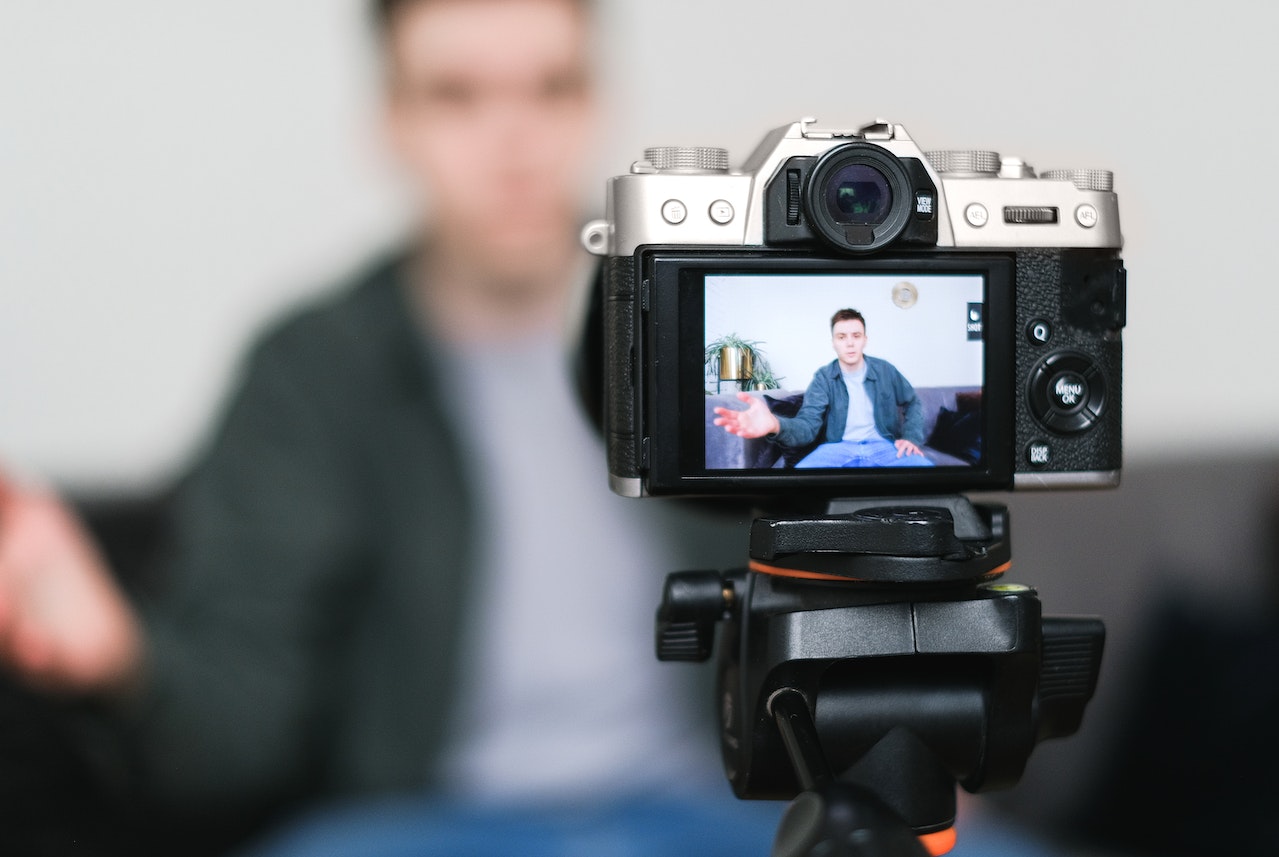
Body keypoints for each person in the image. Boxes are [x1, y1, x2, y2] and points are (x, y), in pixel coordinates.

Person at [0, 1, 781, 854]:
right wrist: (114, 653)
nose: (512, 142)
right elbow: (237, 734)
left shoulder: (719, 323)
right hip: (422, 827)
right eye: (456, 95)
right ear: (390, 122)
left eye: (551, 88)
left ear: (598, 102)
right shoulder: (312, 371)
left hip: (713, 810)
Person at [713, 308, 934, 468]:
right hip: (837, 448)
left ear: (865, 339)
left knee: (926, 474)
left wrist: (911, 437)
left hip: (884, 447)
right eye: (842, 337)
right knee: (798, 481)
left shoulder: (885, 370)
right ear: (833, 342)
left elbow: (912, 401)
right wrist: (774, 424)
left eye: (855, 336)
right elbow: (807, 427)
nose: (849, 343)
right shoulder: (823, 377)